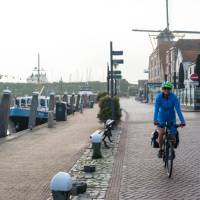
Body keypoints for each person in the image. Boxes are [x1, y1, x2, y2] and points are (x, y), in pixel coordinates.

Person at [153, 81, 186, 158]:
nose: (166, 90)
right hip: (161, 116)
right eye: (165, 88)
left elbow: (178, 110)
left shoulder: (174, 97)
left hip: (171, 116)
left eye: (168, 88)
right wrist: (155, 120)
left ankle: (172, 149)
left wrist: (183, 121)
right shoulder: (158, 97)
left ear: (170, 89)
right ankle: (160, 149)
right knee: (161, 133)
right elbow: (156, 110)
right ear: (162, 89)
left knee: (173, 134)